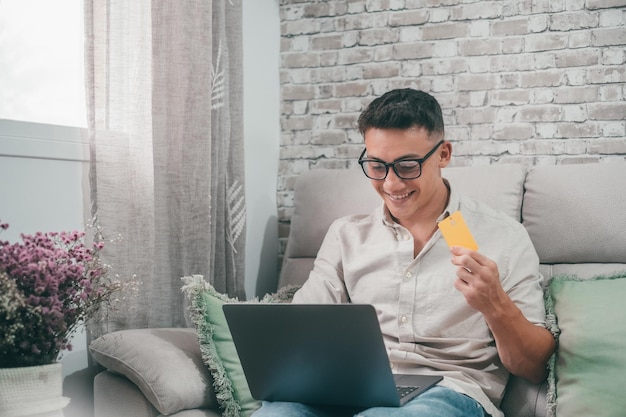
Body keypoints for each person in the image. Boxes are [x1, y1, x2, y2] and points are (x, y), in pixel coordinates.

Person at [253, 88, 556, 417]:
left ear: (443, 154)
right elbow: (300, 332)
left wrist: (495, 305)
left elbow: (534, 368)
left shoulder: (503, 237)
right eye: (376, 165)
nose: (392, 184)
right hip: (350, 388)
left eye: (407, 166)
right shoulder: (347, 235)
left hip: (448, 392)